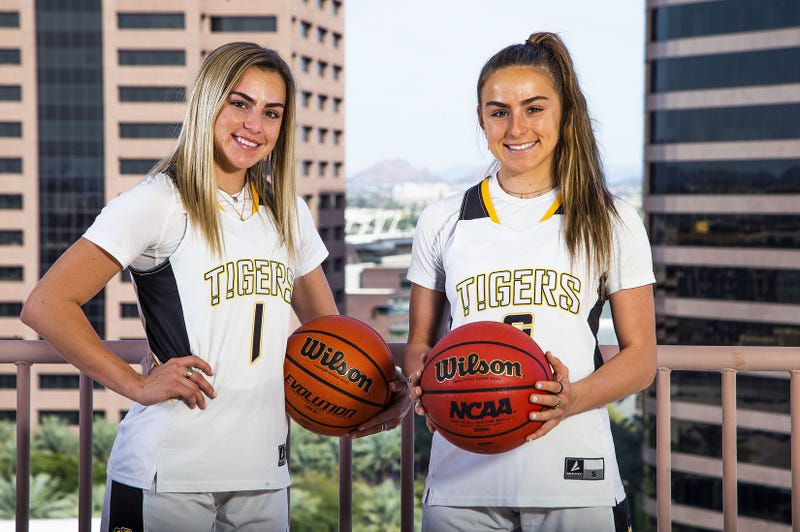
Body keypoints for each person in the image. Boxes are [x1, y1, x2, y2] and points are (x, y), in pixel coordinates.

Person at [21, 41, 403, 532]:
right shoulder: (159, 201)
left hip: (264, 473)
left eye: (272, 112)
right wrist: (135, 383)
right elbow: (47, 304)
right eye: (239, 103)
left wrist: (380, 389)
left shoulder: (287, 212)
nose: (254, 125)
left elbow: (331, 335)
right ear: (207, 103)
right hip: (168, 472)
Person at [405, 32, 656, 532]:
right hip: (462, 480)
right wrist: (422, 385)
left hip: (573, 474)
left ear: (564, 113)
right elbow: (418, 344)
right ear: (481, 118)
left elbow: (641, 358)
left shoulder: (611, 219)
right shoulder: (442, 220)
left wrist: (572, 399)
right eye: (498, 111)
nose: (516, 127)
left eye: (534, 108)